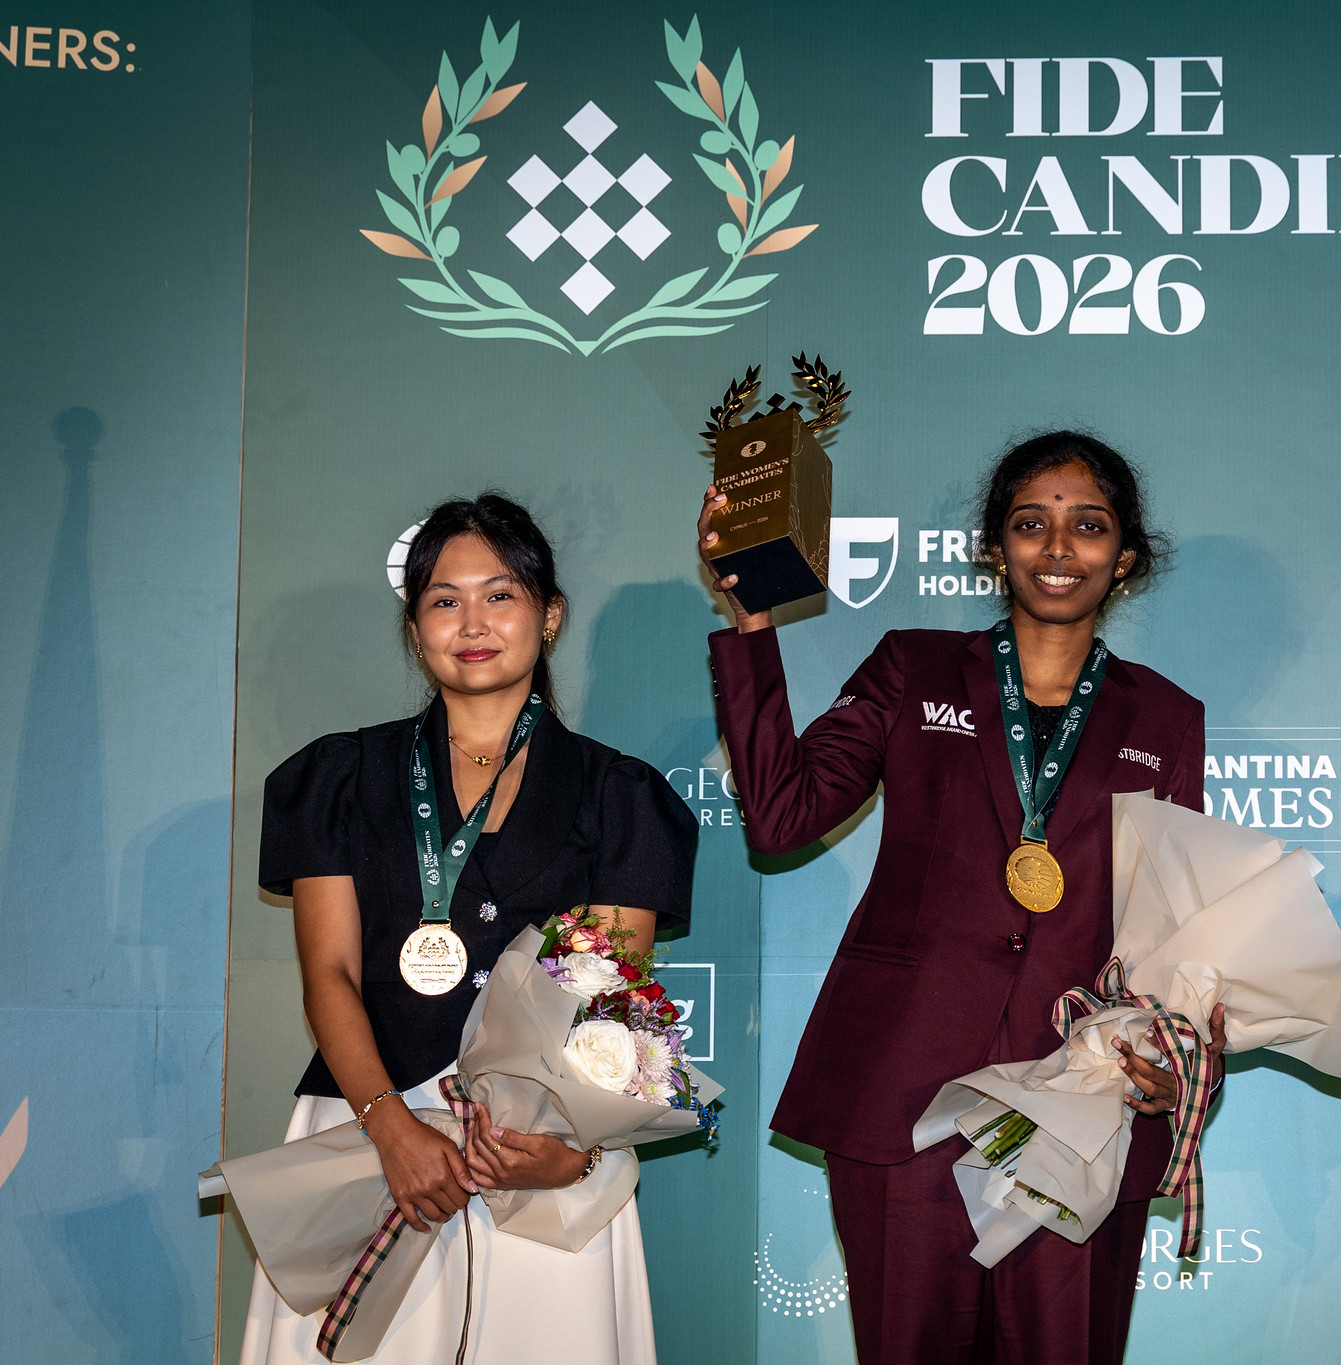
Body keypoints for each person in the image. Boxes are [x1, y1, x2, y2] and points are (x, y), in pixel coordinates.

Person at [700, 431, 1223, 1364]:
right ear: (992, 547)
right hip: (905, 1091)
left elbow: (1179, 925)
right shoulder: (912, 666)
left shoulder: (1167, 716)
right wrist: (751, 627)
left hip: (1080, 1101)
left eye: (1088, 526)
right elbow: (781, 818)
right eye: (1030, 523)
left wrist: (1180, 1064)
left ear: (1124, 558)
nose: (1057, 547)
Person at [240, 493, 699, 1364]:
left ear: (549, 614)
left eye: (500, 594)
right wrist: (391, 1127)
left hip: (535, 1144)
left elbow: (612, 1001)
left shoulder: (620, 795)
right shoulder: (339, 776)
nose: (473, 622)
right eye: (444, 599)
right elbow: (328, 974)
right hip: (367, 1123)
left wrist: (569, 1152)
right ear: (415, 626)